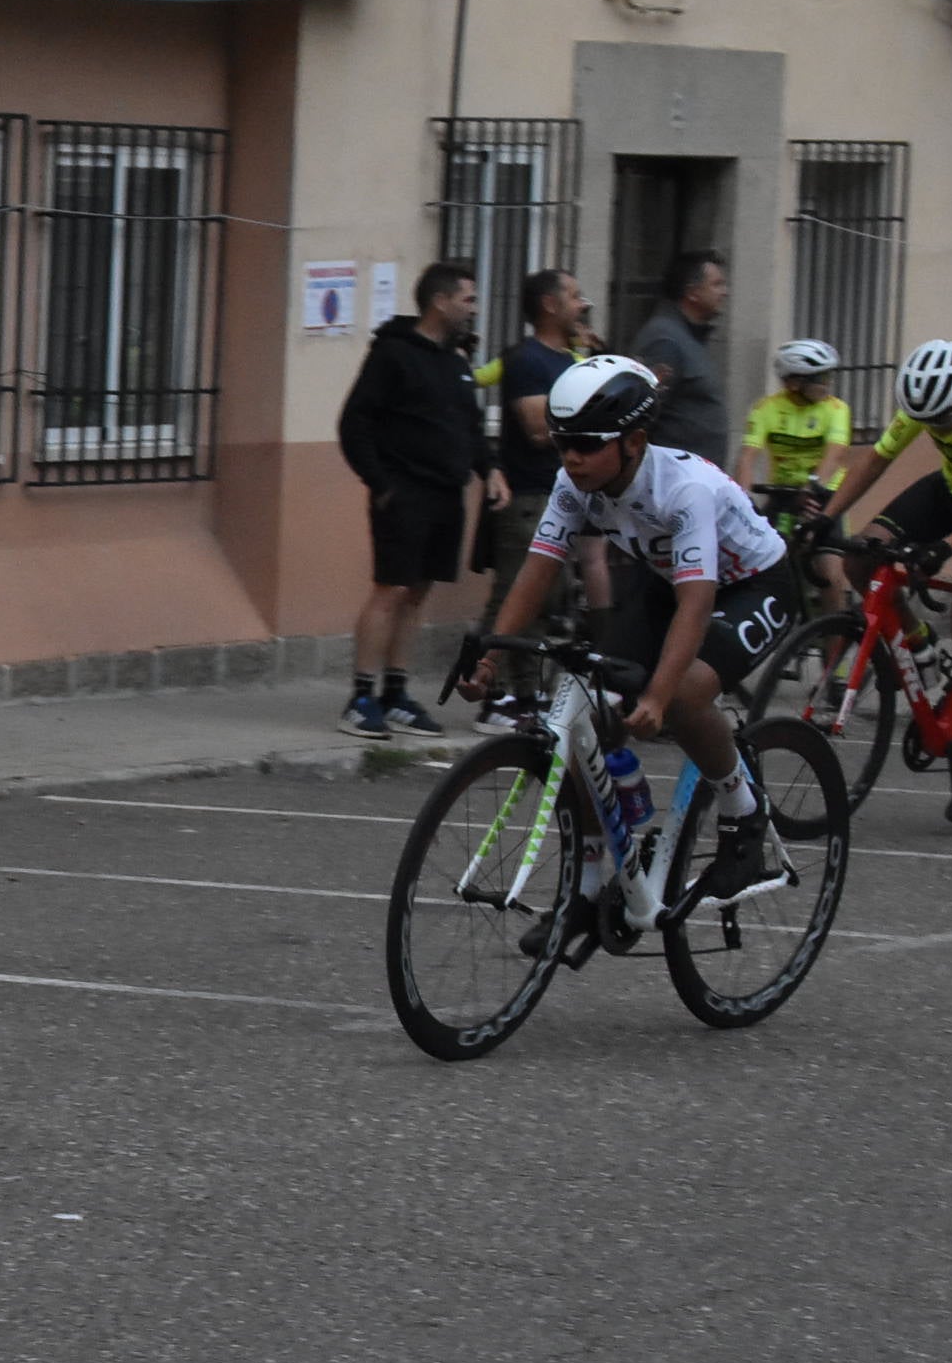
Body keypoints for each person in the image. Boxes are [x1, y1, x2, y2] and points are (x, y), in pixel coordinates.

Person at [464, 355, 795, 954]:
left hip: (754, 585)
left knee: (686, 691)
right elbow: (539, 567)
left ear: (635, 442)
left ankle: (743, 813)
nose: (571, 457)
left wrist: (661, 693)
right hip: (668, 584)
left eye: (588, 445)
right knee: (587, 712)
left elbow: (697, 607)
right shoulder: (576, 482)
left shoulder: (684, 490)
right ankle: (588, 894)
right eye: (565, 443)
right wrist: (488, 649)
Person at [337, 260, 509, 738]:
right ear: (440, 301)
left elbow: (470, 429)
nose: (473, 309)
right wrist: (381, 483)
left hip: (445, 494)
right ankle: (360, 697)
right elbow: (355, 423)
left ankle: (396, 693)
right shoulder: (393, 354)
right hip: (403, 492)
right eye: (468, 299)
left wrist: (489, 470)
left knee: (418, 594)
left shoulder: (455, 364)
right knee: (390, 590)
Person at [812, 338, 952, 822]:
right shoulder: (927, 405)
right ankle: (917, 635)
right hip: (950, 492)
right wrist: (828, 515)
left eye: (942, 421)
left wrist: (945, 548)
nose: (935, 429)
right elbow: (875, 461)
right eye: (926, 421)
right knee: (861, 557)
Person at [473, 269, 611, 730]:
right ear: (549, 305)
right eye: (573, 296)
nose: (582, 304)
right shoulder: (528, 359)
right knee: (516, 596)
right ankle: (496, 695)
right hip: (529, 497)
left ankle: (525, 695)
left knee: (547, 600)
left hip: (559, 496)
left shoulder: (568, 359)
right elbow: (537, 427)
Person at [733, 338, 855, 614]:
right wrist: (740, 500)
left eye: (829, 376)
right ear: (794, 382)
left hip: (823, 496)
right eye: (819, 378)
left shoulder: (837, 409)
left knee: (830, 575)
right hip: (783, 495)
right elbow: (747, 457)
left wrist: (813, 488)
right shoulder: (765, 408)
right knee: (763, 567)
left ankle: (836, 654)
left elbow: (834, 455)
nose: (827, 383)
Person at [629, 249, 732, 466]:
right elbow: (641, 414)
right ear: (692, 292)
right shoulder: (665, 341)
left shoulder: (687, 337)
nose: (725, 292)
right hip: (671, 481)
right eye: (717, 284)